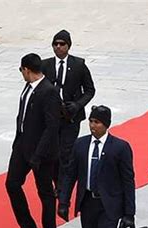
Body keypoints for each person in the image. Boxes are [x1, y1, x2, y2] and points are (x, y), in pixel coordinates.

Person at [6, 53, 61, 228]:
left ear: (27, 69)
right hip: (22, 145)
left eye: (21, 71)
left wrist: (38, 154)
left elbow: (52, 127)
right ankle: (28, 227)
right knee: (12, 184)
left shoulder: (49, 91)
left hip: (42, 152)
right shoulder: (28, 87)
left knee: (45, 192)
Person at [42, 30, 96, 194]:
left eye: (62, 44)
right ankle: (57, 182)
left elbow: (89, 90)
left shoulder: (79, 65)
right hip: (51, 117)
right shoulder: (45, 65)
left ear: (68, 46)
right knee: (52, 153)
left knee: (66, 152)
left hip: (71, 117)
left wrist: (77, 105)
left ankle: (62, 187)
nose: (58, 47)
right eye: (55, 44)